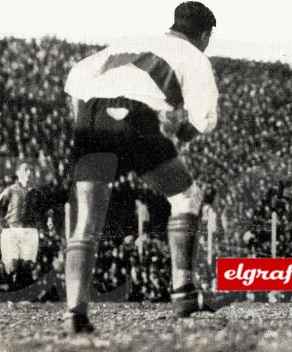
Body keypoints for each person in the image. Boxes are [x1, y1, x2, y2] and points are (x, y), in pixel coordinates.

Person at [61, 1, 221, 333]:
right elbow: (203, 120)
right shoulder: (194, 56)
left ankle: (75, 312)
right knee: (186, 197)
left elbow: (75, 77)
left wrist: (83, 123)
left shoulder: (129, 42)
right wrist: (178, 132)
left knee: (87, 222)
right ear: (204, 35)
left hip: (90, 116)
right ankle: (183, 292)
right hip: (138, 117)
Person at [0, 163, 42, 273]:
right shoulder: (10, 190)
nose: (29, 172)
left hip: (29, 232)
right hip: (12, 231)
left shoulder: (36, 193)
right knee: (11, 268)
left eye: (30, 170)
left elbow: (45, 210)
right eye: (26, 169)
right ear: (18, 173)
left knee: (27, 269)